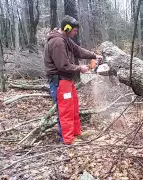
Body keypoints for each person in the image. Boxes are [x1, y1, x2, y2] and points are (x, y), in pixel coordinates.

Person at [43, 15, 102, 144]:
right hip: (60, 81)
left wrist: (94, 55)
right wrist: (80, 68)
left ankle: (75, 133)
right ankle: (67, 139)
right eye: (74, 31)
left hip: (67, 80)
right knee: (66, 110)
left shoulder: (66, 39)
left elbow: (78, 50)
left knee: (73, 106)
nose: (75, 33)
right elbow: (63, 65)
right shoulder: (57, 42)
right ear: (67, 28)